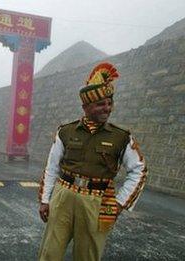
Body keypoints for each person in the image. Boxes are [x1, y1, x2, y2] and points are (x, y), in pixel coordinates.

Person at [37, 62, 147, 261]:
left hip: (98, 201)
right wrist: (45, 200)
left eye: (109, 103)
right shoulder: (66, 131)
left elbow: (139, 170)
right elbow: (51, 167)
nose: (107, 108)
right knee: (50, 252)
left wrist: (120, 203)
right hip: (63, 196)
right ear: (86, 107)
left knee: (88, 255)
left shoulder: (121, 137)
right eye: (100, 104)